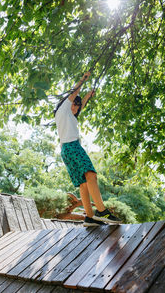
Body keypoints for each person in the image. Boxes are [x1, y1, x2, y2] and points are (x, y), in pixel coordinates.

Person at [55, 72, 121, 227]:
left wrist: (88, 95)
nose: (76, 106)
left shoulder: (70, 116)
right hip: (72, 146)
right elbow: (74, 93)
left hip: (66, 150)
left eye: (78, 105)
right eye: (74, 103)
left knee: (83, 184)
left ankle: (90, 218)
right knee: (91, 175)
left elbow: (81, 103)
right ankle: (101, 211)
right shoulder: (63, 109)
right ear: (68, 102)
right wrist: (83, 79)